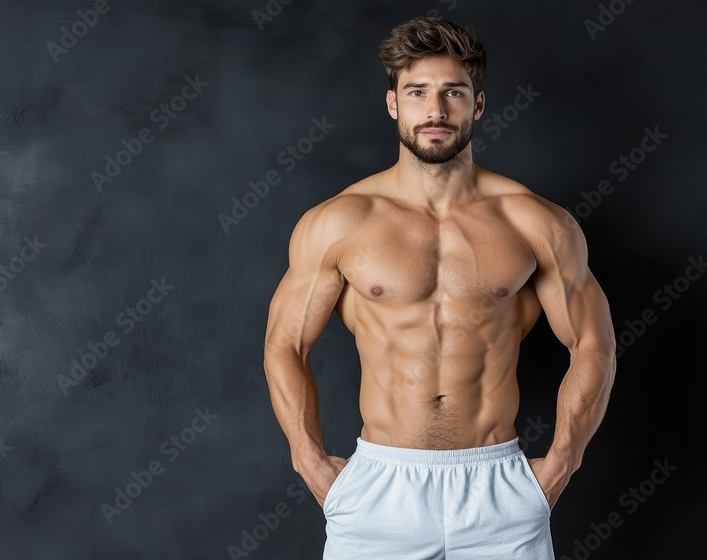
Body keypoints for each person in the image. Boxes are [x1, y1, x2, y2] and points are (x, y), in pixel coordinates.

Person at [261, 16, 616, 559]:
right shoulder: (340, 222)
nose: (435, 110)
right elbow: (286, 344)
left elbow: (594, 343)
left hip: (500, 489)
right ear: (392, 104)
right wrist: (307, 459)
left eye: (453, 92)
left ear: (477, 105)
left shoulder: (535, 223)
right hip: (380, 488)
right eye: (418, 92)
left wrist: (564, 459)